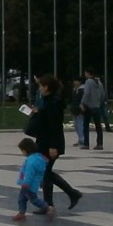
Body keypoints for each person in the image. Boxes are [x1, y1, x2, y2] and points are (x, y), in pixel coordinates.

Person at [23, 76, 82, 210]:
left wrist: (53, 146)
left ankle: (71, 194)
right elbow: (45, 120)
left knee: (45, 172)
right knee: (45, 173)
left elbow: (55, 126)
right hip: (44, 141)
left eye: (40, 86)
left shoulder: (54, 103)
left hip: (50, 143)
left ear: (46, 87)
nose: (39, 88)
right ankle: (51, 203)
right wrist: (37, 113)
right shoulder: (48, 101)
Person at [13, 137, 52, 222]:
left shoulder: (31, 161)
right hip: (32, 183)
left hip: (28, 185)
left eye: (22, 151)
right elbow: (41, 173)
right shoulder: (39, 158)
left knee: (33, 200)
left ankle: (47, 207)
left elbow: (29, 173)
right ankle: (21, 212)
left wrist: (26, 183)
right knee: (22, 199)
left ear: (26, 150)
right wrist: (41, 181)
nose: (22, 153)